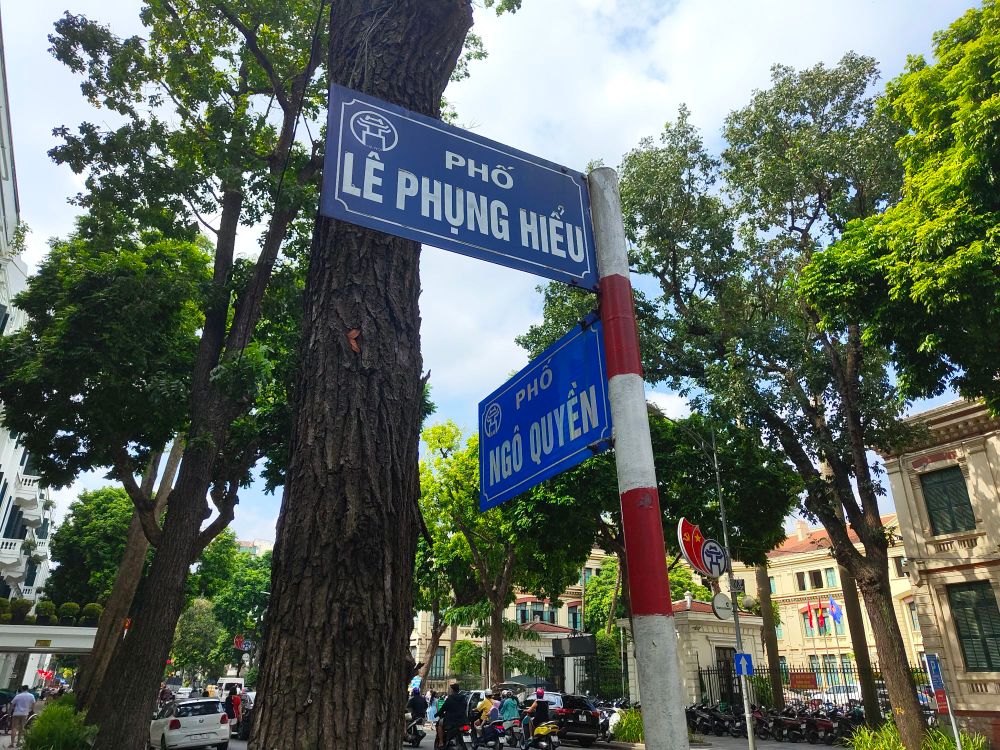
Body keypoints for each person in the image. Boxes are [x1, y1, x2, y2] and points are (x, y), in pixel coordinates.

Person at [436, 682, 466, 749]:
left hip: (451, 721)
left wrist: (437, 714)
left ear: (452, 690)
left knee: (440, 725)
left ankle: (441, 742)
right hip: (463, 721)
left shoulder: (450, 698)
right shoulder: (463, 698)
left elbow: (443, 708)